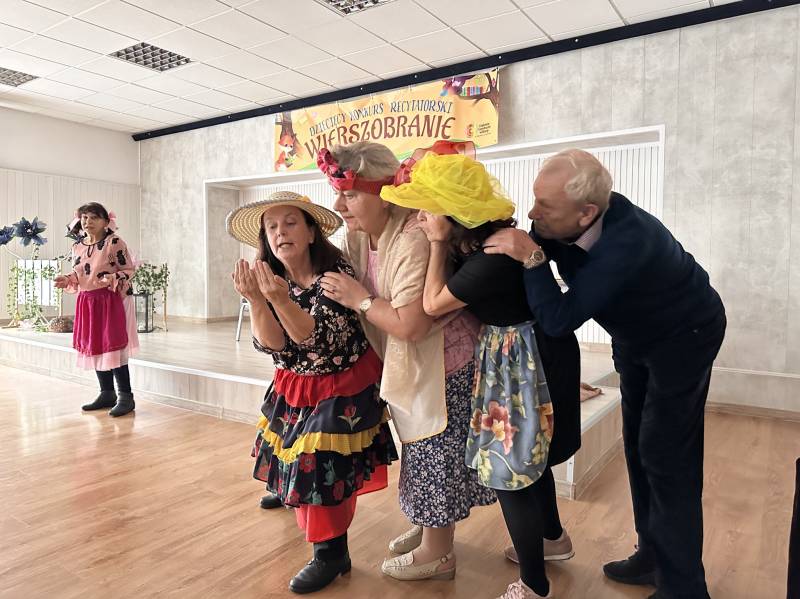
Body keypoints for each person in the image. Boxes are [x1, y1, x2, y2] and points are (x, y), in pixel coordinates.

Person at [485, 149, 726, 599]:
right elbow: (529, 250)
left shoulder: (628, 242)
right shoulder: (562, 222)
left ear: (587, 212)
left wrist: (533, 260)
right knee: (636, 443)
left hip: (685, 334)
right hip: (635, 335)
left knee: (666, 454)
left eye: (545, 207)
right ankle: (651, 556)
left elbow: (560, 318)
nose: (533, 215)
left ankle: (684, 587)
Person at [380, 142, 580, 599]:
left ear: (452, 215)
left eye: (429, 210)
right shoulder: (485, 243)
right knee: (531, 460)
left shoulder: (491, 258)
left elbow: (432, 303)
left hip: (520, 362)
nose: (420, 218)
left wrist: (435, 242)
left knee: (510, 470)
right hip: (519, 356)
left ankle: (534, 586)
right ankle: (553, 540)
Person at [317, 142, 496, 582]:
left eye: (349, 194)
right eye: (337, 193)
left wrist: (360, 299)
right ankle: (429, 526)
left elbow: (412, 324)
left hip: (444, 361)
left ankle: (439, 551)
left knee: (435, 449)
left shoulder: (414, 236)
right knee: (420, 448)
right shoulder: (361, 234)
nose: (339, 205)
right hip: (410, 360)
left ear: (384, 194)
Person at [227, 191, 396, 595]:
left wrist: (277, 299)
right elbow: (273, 345)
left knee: (319, 463)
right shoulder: (272, 276)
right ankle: (293, 494)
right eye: (271, 227)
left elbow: (316, 341)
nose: (280, 233)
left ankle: (331, 554)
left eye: (290, 223)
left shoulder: (335, 273)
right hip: (295, 381)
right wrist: (256, 300)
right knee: (287, 451)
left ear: (310, 232)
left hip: (342, 381)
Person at [54, 202, 139, 417]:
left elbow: (129, 270)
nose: (88, 221)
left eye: (94, 217)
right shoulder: (78, 246)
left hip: (111, 300)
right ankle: (107, 393)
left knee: (114, 346)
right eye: (84, 217)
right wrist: (67, 279)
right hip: (88, 301)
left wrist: (113, 277)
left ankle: (126, 397)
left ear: (105, 221)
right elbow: (79, 273)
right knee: (96, 344)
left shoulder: (114, 242)